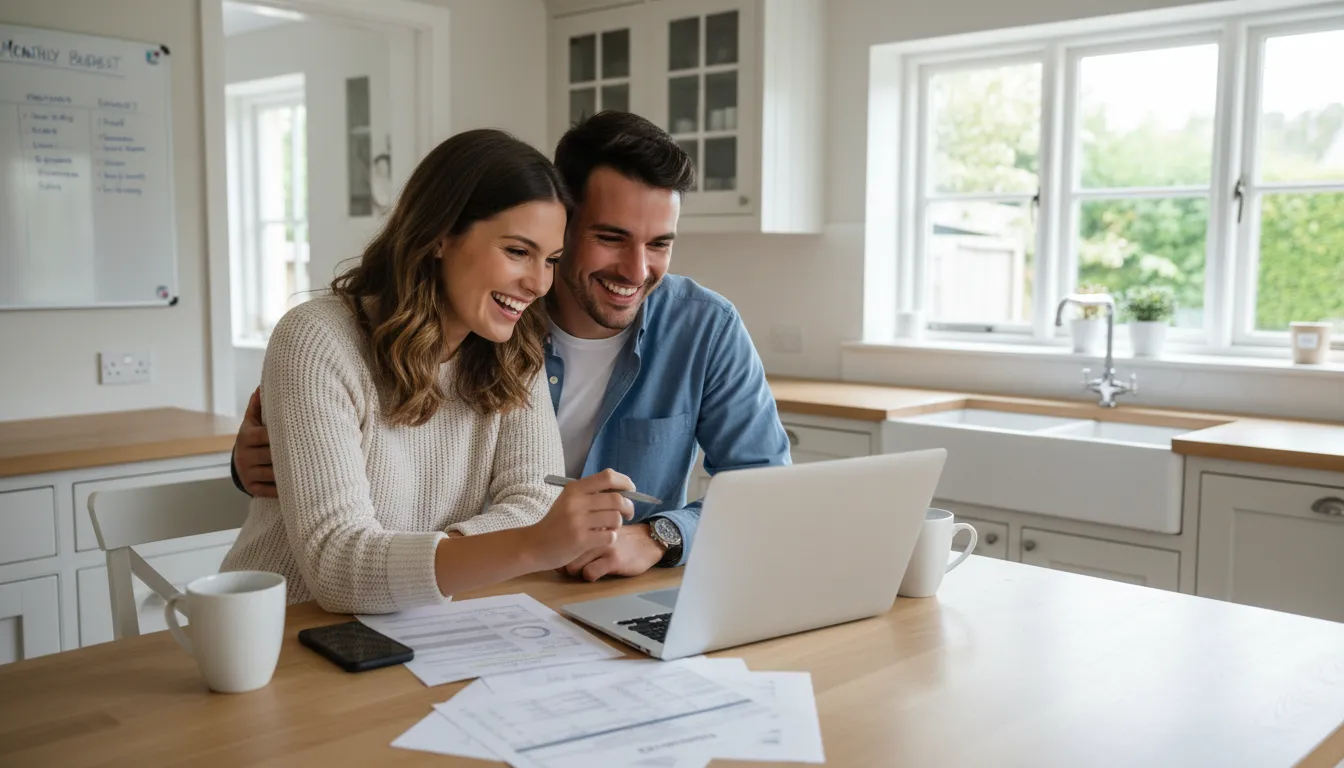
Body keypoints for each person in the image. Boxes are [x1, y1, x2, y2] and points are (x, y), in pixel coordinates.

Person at [231, 111, 790, 583]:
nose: (636, 270)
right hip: (337, 617)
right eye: (610, 237)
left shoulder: (510, 337)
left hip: (493, 601)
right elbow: (339, 546)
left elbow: (532, 501)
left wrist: (660, 534)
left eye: (660, 243)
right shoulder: (496, 322)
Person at [220, 129, 639, 614]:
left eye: (551, 260)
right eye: (517, 252)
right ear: (440, 235)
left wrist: (420, 567)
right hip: (284, 626)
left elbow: (534, 499)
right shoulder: (317, 339)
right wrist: (525, 546)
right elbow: (336, 566)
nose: (539, 284)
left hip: (419, 620)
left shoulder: (513, 351)